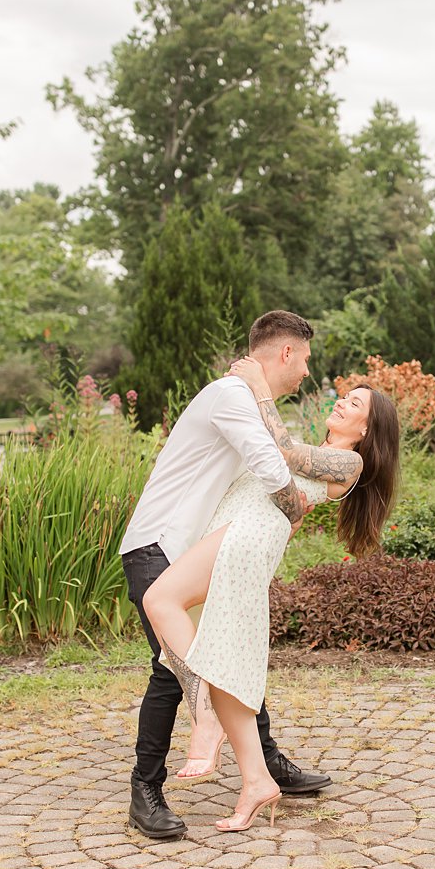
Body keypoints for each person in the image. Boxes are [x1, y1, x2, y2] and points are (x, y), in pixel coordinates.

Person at [141, 356, 401, 832]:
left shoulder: (349, 461)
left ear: (367, 428)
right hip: (240, 532)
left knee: (160, 601)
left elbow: (280, 452)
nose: (343, 401)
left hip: (246, 535)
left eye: (355, 403)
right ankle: (258, 781)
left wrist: (260, 385)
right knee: (221, 654)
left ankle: (205, 717)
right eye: (345, 396)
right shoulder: (320, 455)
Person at [119, 311, 325, 840]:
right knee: (172, 669)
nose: (306, 372)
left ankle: (267, 764)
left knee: (223, 652)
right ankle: (147, 792)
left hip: (192, 550)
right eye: (304, 359)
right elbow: (273, 470)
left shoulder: (249, 401)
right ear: (284, 353)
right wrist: (294, 507)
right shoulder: (231, 395)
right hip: (158, 546)